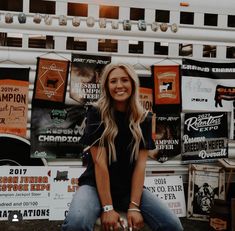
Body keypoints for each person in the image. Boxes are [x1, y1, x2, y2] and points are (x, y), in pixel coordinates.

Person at [61, 63, 183, 231]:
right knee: (76, 223)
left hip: (128, 187)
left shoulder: (145, 118)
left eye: (124, 80)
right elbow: (100, 164)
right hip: (94, 185)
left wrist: (134, 206)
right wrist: (108, 208)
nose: (119, 86)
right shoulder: (96, 113)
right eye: (113, 81)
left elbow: (140, 166)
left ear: (133, 84)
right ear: (106, 86)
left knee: (172, 225)